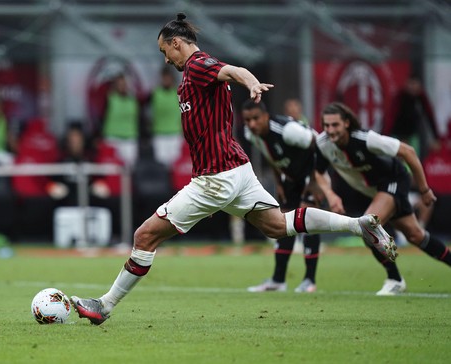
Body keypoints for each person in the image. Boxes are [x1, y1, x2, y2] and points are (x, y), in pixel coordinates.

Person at [69, 13, 396, 325]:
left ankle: (104, 305)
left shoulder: (197, 65)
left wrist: (252, 83)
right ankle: (358, 225)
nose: (165, 60)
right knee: (277, 226)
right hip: (235, 170)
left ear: (177, 43)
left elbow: (233, 70)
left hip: (216, 178)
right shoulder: (191, 76)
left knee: (145, 235)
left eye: (164, 51)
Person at [314, 102, 451, 295]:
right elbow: (318, 172)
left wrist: (424, 189)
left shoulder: (365, 139)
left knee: (367, 225)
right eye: (326, 125)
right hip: (376, 191)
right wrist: (331, 195)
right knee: (415, 236)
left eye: (335, 125)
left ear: (346, 123)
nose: (330, 130)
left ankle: (394, 279)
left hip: (394, 179)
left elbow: (408, 152)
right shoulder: (323, 144)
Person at [242, 100, 321, 293]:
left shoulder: (288, 130)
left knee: (307, 218)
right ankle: (278, 281)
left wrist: (315, 181)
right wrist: (279, 181)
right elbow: (271, 156)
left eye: (255, 119)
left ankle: (309, 281)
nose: (252, 124)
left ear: (266, 116)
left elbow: (319, 145)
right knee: (283, 222)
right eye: (247, 120)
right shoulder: (250, 134)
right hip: (291, 177)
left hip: (314, 173)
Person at [387, 75, 440, 161]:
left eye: (415, 84)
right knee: (398, 160)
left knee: (413, 160)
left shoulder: (421, 98)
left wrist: (436, 138)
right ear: (406, 85)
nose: (413, 87)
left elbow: (430, 117)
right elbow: (391, 118)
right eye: (411, 84)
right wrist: (387, 137)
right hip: (398, 135)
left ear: (419, 86)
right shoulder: (400, 97)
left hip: (413, 135)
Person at [101, 73, 140, 169]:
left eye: (124, 84)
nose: (122, 86)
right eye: (119, 84)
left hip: (129, 138)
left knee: (129, 169)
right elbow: (101, 117)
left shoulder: (133, 100)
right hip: (112, 138)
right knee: (111, 169)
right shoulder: (109, 98)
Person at [148, 65, 184, 167]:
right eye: (164, 77)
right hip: (159, 134)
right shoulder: (155, 93)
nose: (166, 80)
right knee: (161, 165)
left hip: (175, 134)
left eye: (168, 77)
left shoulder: (179, 93)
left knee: (175, 165)